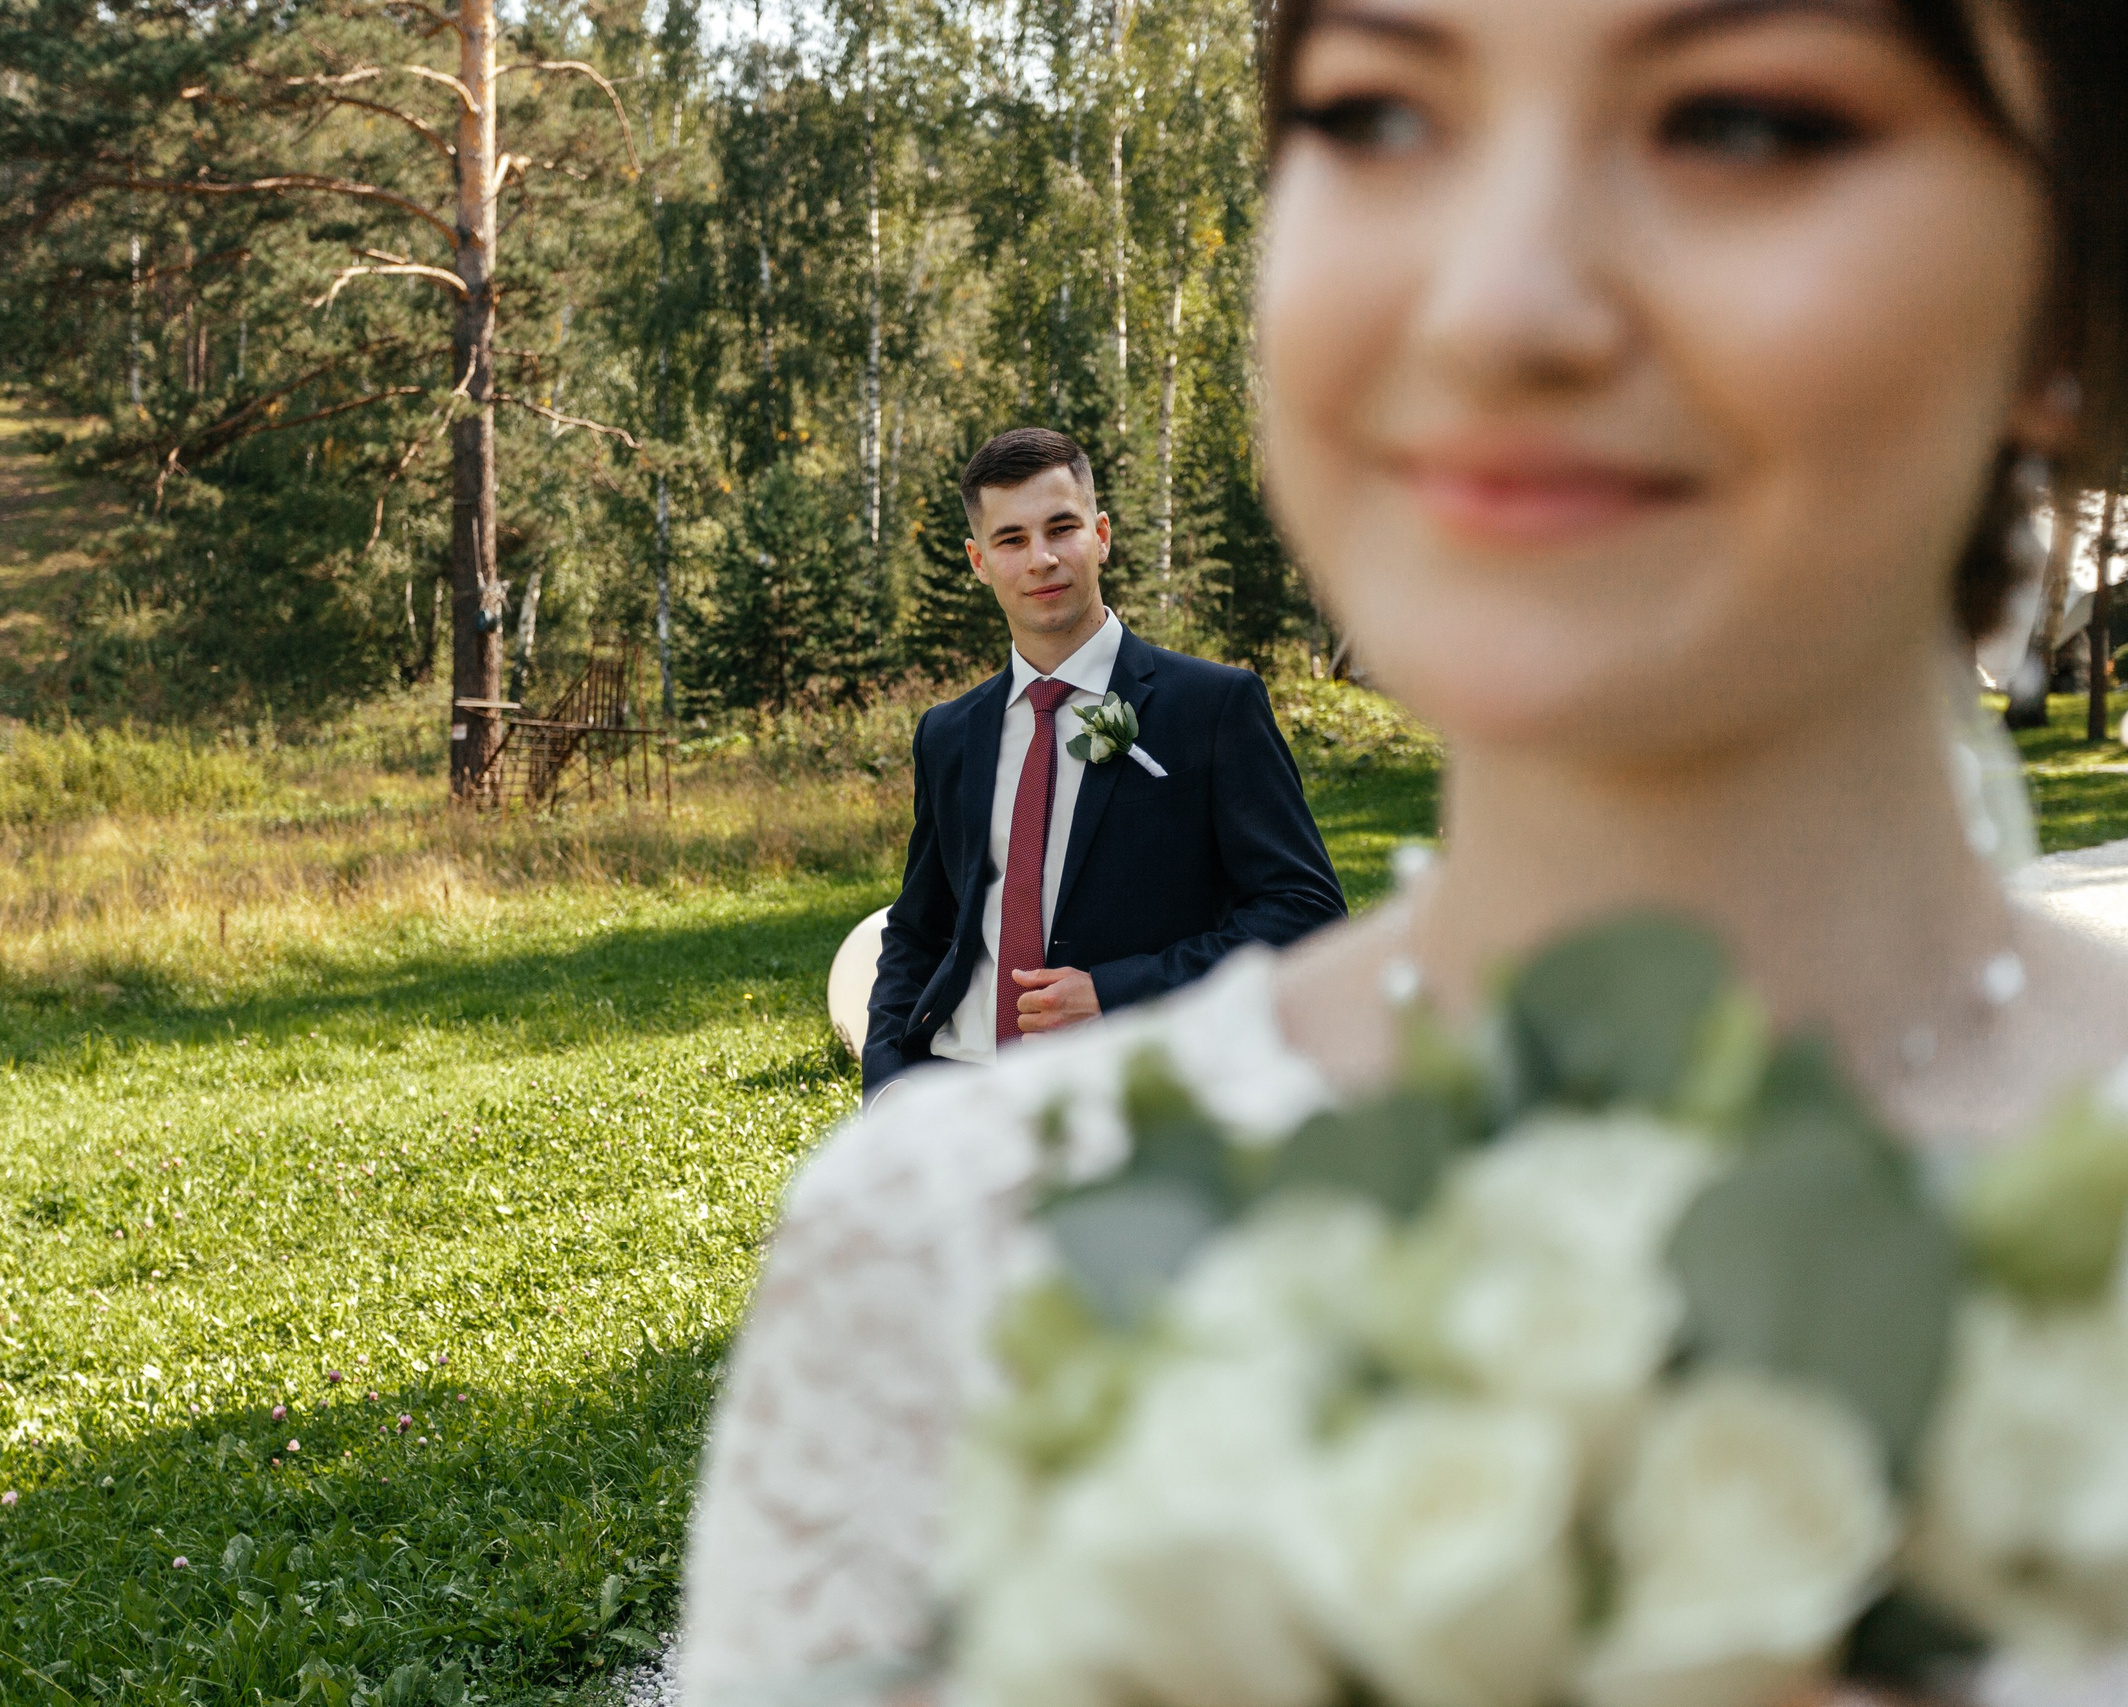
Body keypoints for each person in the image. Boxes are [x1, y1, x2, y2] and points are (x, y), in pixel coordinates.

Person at [682, 0, 2128, 1704]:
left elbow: (1278, 894)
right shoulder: (925, 1258)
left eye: (1740, 118)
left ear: (2068, 293)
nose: (1495, 301)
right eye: (1376, 115)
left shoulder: (1199, 710)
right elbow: (937, 913)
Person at [861, 428, 1346, 1100]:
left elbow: (1306, 911)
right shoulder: (949, 734)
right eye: (1011, 539)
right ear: (978, 560)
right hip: (957, 1089)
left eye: (1062, 528)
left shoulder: (1213, 705)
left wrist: (1114, 992)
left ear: (1102, 535)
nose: (1042, 558)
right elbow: (917, 929)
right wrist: (887, 1083)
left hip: (1130, 1088)